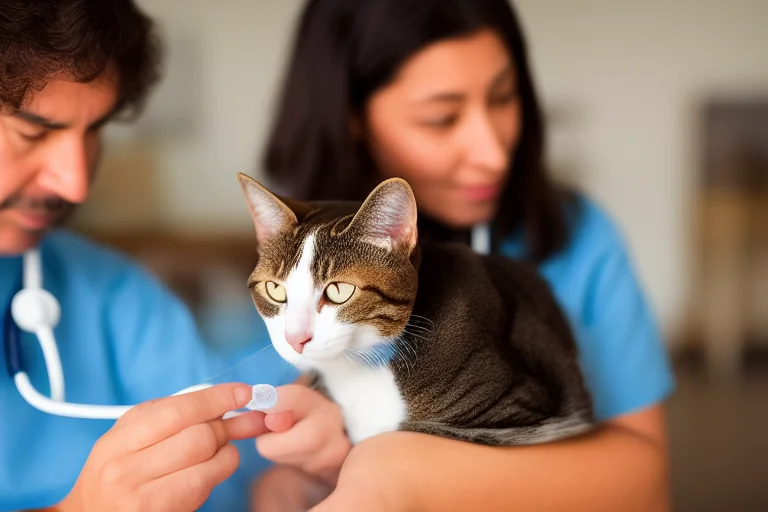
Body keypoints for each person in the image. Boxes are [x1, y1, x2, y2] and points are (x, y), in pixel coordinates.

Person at [252, 0, 677, 509]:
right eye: (441, 118)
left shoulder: (580, 239)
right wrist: (302, 478)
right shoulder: (292, 260)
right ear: (352, 118)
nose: (493, 153)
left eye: (504, 96)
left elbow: (645, 484)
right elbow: (279, 487)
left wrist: (403, 473)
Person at [0, 1, 307, 510]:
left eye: (95, 129)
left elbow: (239, 473)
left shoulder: (114, 295)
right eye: (33, 131)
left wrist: (297, 472)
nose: (74, 183)